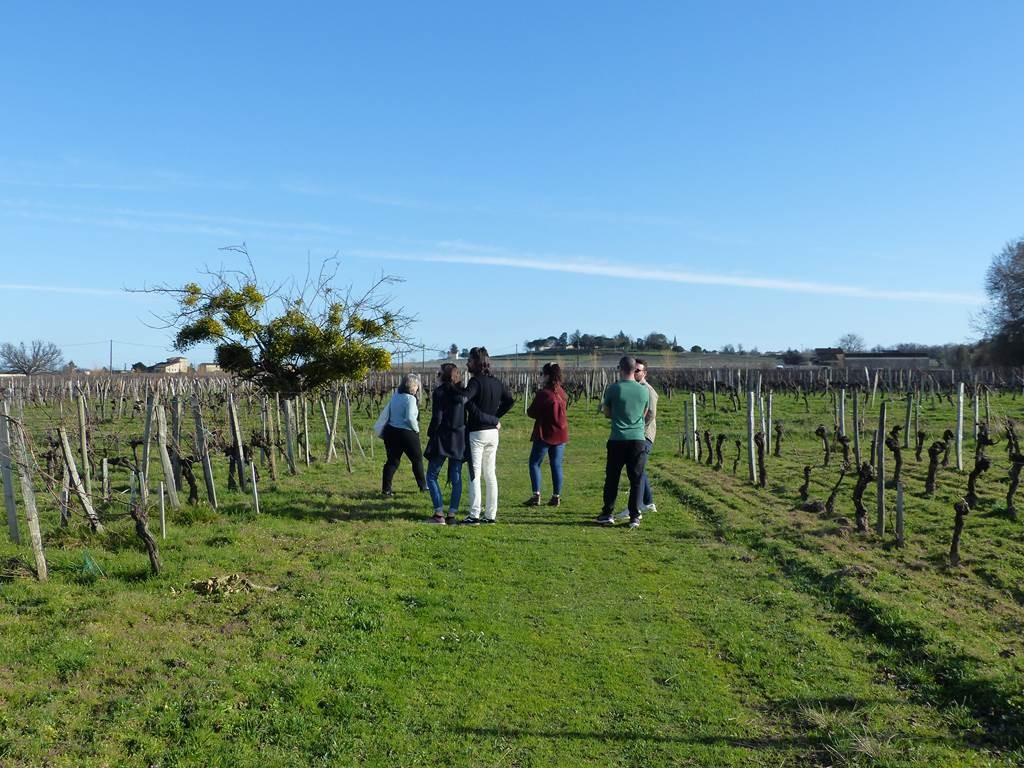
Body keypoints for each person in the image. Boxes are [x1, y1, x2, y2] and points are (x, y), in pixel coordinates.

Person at [462, 346, 515, 524]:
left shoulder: (475, 382)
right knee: (490, 474)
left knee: (475, 474)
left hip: (477, 433)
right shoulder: (496, 382)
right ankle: (491, 515)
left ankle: (474, 514)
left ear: (476, 363)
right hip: (493, 433)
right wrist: (495, 417)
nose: (467, 363)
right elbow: (510, 400)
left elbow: (465, 399)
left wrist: (469, 405)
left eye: (469, 360)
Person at [597, 356, 649, 529]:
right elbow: (644, 413)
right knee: (636, 479)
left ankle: (607, 513)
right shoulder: (643, 390)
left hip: (618, 438)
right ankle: (634, 516)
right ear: (635, 369)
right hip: (638, 439)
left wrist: (619, 415)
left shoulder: (614, 389)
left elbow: (607, 412)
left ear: (620, 368)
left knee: (612, 478)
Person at [423, 363, 471, 525]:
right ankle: (452, 514)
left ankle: (439, 513)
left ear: (443, 376)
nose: (437, 375)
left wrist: (431, 432)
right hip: (459, 438)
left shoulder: (439, 392)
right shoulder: (463, 393)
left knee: (431, 475)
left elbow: (437, 417)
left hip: (443, 437)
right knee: (456, 477)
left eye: (439, 373)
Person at [617, 357, 657, 519]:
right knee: (639, 469)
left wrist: (637, 428)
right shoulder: (635, 388)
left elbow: (651, 413)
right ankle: (648, 502)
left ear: (645, 373)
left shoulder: (647, 390)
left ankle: (635, 509)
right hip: (637, 435)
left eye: (638, 371)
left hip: (643, 435)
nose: (635, 373)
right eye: (634, 370)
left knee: (636, 472)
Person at [524, 362, 568, 507]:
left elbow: (531, 412)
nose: (540, 376)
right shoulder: (562, 392)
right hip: (560, 433)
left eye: (541, 374)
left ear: (548, 376)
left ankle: (536, 495)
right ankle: (556, 496)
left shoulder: (544, 394)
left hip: (545, 433)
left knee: (534, 463)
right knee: (556, 465)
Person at [380, 373, 427, 496]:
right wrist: (416, 429)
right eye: (416, 386)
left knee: (392, 461)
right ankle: (423, 486)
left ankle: (386, 489)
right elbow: (410, 418)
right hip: (406, 433)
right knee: (417, 460)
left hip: (391, 431)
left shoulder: (395, 396)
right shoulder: (410, 399)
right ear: (412, 386)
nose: (417, 388)